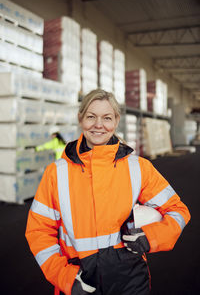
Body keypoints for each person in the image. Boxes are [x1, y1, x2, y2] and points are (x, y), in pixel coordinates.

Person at [25, 89, 191, 295]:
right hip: (81, 280)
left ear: (116, 121)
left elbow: (178, 211)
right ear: (80, 119)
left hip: (131, 281)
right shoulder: (56, 173)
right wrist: (65, 278)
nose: (98, 125)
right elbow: (39, 232)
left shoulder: (139, 167)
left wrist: (152, 237)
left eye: (107, 118)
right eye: (91, 117)